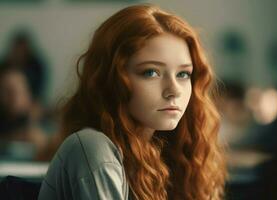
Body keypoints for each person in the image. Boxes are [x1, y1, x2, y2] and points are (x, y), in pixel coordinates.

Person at [38, 4, 226, 200]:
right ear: (111, 78)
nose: (174, 90)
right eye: (151, 72)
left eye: (183, 74)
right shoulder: (93, 146)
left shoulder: (168, 156)